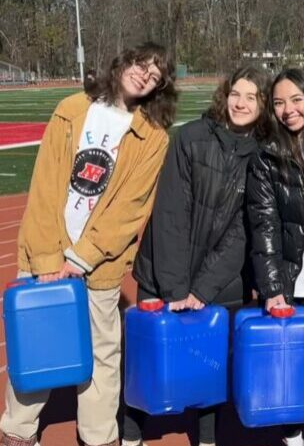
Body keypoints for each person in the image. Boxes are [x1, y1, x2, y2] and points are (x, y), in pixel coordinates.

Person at [2, 42, 177, 446]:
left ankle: (99, 436)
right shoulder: (71, 109)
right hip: (45, 249)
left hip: (100, 263)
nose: (144, 76)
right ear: (123, 63)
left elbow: (132, 208)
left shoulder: (153, 137)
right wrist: (49, 257)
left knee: (102, 353)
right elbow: (44, 187)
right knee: (38, 343)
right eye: (140, 65)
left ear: (158, 88)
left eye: (154, 76)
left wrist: (83, 257)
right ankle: (18, 428)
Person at [125, 66, 272, 446]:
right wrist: (175, 289)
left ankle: (206, 439)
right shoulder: (191, 137)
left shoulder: (264, 155)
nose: (241, 103)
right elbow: (169, 216)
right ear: (224, 95)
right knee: (147, 361)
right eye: (236, 93)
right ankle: (130, 435)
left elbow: (245, 231)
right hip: (163, 273)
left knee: (211, 367)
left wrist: (203, 288)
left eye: (252, 97)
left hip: (219, 283)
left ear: (263, 105)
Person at [246, 68, 304, 446]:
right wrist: (271, 287)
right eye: (279, 103)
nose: (288, 110)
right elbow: (263, 225)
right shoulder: (266, 157)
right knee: (290, 364)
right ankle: (293, 434)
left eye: (296, 100)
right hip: (291, 278)